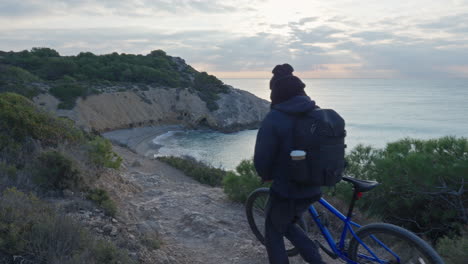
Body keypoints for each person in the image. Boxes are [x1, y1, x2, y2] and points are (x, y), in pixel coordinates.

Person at [254, 64, 325, 264]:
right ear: (301, 90)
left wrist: (265, 174)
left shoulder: (274, 118)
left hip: (287, 189)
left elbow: (262, 158)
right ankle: (313, 253)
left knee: (273, 231)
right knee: (286, 223)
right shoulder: (317, 113)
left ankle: (315, 257)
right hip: (315, 184)